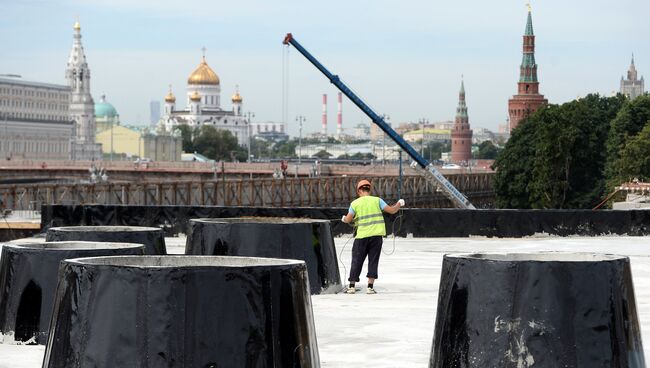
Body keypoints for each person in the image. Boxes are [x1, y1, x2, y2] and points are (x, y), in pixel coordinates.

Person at [341, 179, 405, 294]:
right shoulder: (377, 200)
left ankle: (351, 286)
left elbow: (348, 219)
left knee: (357, 260)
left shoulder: (355, 203)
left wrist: (344, 219)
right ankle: (370, 287)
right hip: (376, 237)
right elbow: (392, 210)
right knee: (373, 261)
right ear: (369, 189)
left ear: (359, 190)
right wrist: (399, 203)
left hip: (361, 237)